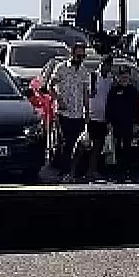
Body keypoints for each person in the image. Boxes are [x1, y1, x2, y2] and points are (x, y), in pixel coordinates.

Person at [48, 42, 91, 181]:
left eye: (82, 56)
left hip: (78, 112)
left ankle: (74, 171)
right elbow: (50, 85)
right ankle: (64, 170)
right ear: (72, 54)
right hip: (64, 112)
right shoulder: (61, 68)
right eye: (78, 55)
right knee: (66, 142)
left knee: (77, 143)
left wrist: (87, 111)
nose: (80, 58)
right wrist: (58, 99)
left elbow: (85, 92)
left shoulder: (84, 71)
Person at [105, 66, 139, 182]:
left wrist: (136, 123)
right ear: (118, 77)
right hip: (116, 124)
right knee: (117, 148)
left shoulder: (133, 91)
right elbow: (109, 107)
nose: (124, 77)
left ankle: (127, 171)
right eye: (122, 75)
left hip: (128, 123)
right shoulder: (114, 90)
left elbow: (136, 108)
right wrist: (109, 122)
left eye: (126, 75)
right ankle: (117, 171)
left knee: (128, 148)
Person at [86, 55, 115, 180]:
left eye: (109, 65)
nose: (106, 67)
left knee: (98, 146)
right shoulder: (92, 77)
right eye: (105, 64)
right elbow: (87, 95)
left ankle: (92, 170)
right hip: (91, 116)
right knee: (84, 145)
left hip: (103, 118)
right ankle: (79, 169)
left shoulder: (110, 80)